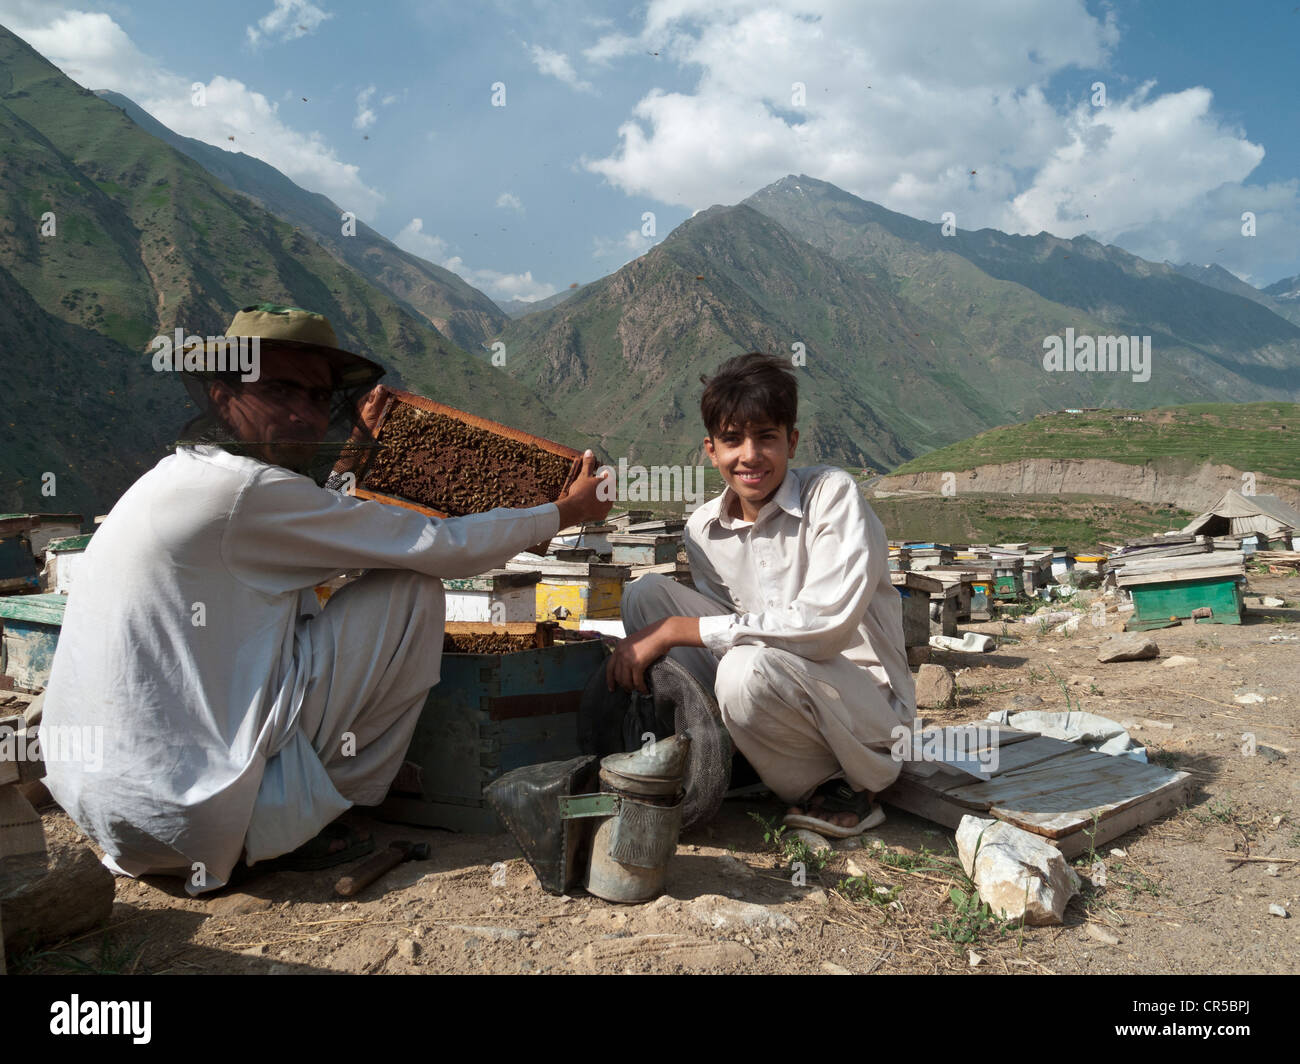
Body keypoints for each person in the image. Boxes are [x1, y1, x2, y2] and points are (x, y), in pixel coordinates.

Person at [41, 303, 611, 893]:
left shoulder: (178, 478)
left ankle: (273, 807)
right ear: (221, 394)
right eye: (281, 388)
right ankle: (297, 822)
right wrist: (565, 511)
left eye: (318, 398)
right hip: (194, 819)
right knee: (410, 588)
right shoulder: (245, 491)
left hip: (115, 813)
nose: (303, 412)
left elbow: (333, 531)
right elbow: (441, 548)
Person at [606, 352, 915, 837]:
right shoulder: (704, 529)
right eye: (732, 440)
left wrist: (677, 631)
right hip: (771, 681)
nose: (749, 455)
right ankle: (729, 750)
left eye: (766, 437)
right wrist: (665, 628)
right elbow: (731, 625)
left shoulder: (832, 495)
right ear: (710, 449)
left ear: (791, 442)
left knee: (741, 667)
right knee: (644, 598)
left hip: (866, 710)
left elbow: (824, 629)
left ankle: (840, 783)